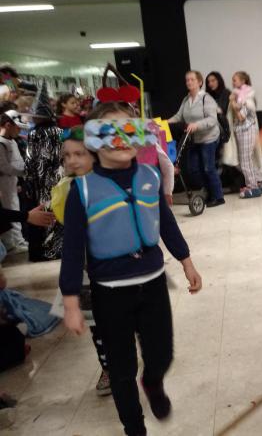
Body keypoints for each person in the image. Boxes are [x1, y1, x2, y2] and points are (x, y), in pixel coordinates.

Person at [60, 102, 203, 436]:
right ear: (93, 141)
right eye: (109, 132)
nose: (121, 139)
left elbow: (166, 224)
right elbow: (72, 250)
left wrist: (186, 261)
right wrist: (70, 302)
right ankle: (134, 428)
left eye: (129, 129)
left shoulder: (150, 176)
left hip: (153, 283)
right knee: (121, 368)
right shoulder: (81, 190)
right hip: (110, 293)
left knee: (162, 353)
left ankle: (152, 381)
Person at [51, 125, 112, 396]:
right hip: (85, 267)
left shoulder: (109, 183)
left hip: (113, 265)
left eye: (79, 154)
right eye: (67, 155)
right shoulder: (68, 187)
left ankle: (131, 353)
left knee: (125, 317)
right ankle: (107, 367)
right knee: (95, 322)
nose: (72, 161)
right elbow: (69, 235)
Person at [168, 70, 225, 208]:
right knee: (193, 170)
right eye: (187, 80)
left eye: (192, 79)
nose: (189, 82)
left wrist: (196, 125)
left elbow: (212, 120)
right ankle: (208, 191)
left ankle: (218, 197)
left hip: (209, 137)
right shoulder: (186, 100)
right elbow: (178, 116)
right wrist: (164, 122)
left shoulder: (206, 99)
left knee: (208, 168)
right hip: (194, 139)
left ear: (199, 82)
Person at [24, 86, 64, 262]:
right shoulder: (60, 132)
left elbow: (30, 160)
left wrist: (28, 180)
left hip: (41, 180)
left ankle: (45, 250)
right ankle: (58, 248)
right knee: (58, 210)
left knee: (43, 210)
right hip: (59, 177)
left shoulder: (33, 134)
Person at [228, 71, 262, 199]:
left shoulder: (247, 97)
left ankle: (253, 187)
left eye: (235, 80)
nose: (233, 82)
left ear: (243, 81)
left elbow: (241, 117)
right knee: (244, 160)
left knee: (245, 161)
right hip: (241, 131)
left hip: (247, 130)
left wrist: (232, 102)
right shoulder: (239, 96)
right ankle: (253, 183)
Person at [0, 110, 29, 254]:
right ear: (7, 125)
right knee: (10, 210)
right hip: (4, 183)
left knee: (15, 208)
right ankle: (11, 244)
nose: (19, 131)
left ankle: (18, 240)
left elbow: (18, 162)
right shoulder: (1, 143)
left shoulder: (12, 141)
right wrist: (25, 171)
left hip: (13, 182)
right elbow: (4, 167)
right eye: (17, 127)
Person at [204, 71, 231, 149]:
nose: (210, 84)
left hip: (223, 129)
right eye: (208, 82)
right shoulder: (207, 95)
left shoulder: (226, 93)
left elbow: (222, 110)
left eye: (213, 80)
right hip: (210, 130)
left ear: (219, 80)